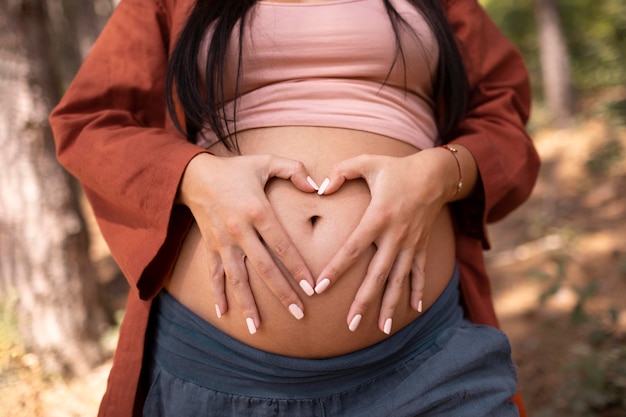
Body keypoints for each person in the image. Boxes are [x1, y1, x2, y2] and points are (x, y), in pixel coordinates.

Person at [50, 0, 540, 415]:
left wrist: (439, 174)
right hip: (218, 372)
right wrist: (195, 176)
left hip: (425, 361)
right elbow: (89, 123)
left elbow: (504, 119)